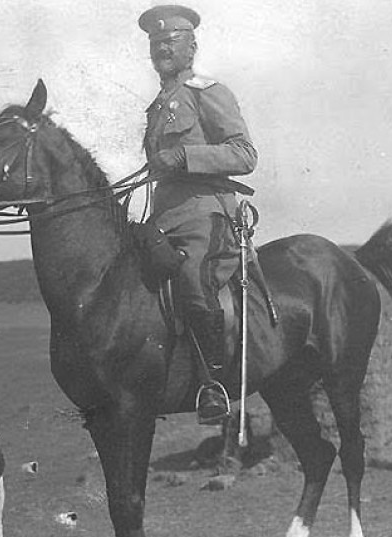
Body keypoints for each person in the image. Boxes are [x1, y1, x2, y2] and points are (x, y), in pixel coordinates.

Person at [139, 5, 258, 425]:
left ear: (191, 45)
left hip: (206, 214)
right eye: (155, 43)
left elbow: (245, 155)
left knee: (192, 279)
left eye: (170, 40)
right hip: (163, 217)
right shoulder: (157, 106)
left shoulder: (208, 91)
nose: (161, 48)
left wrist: (185, 155)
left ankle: (214, 384)